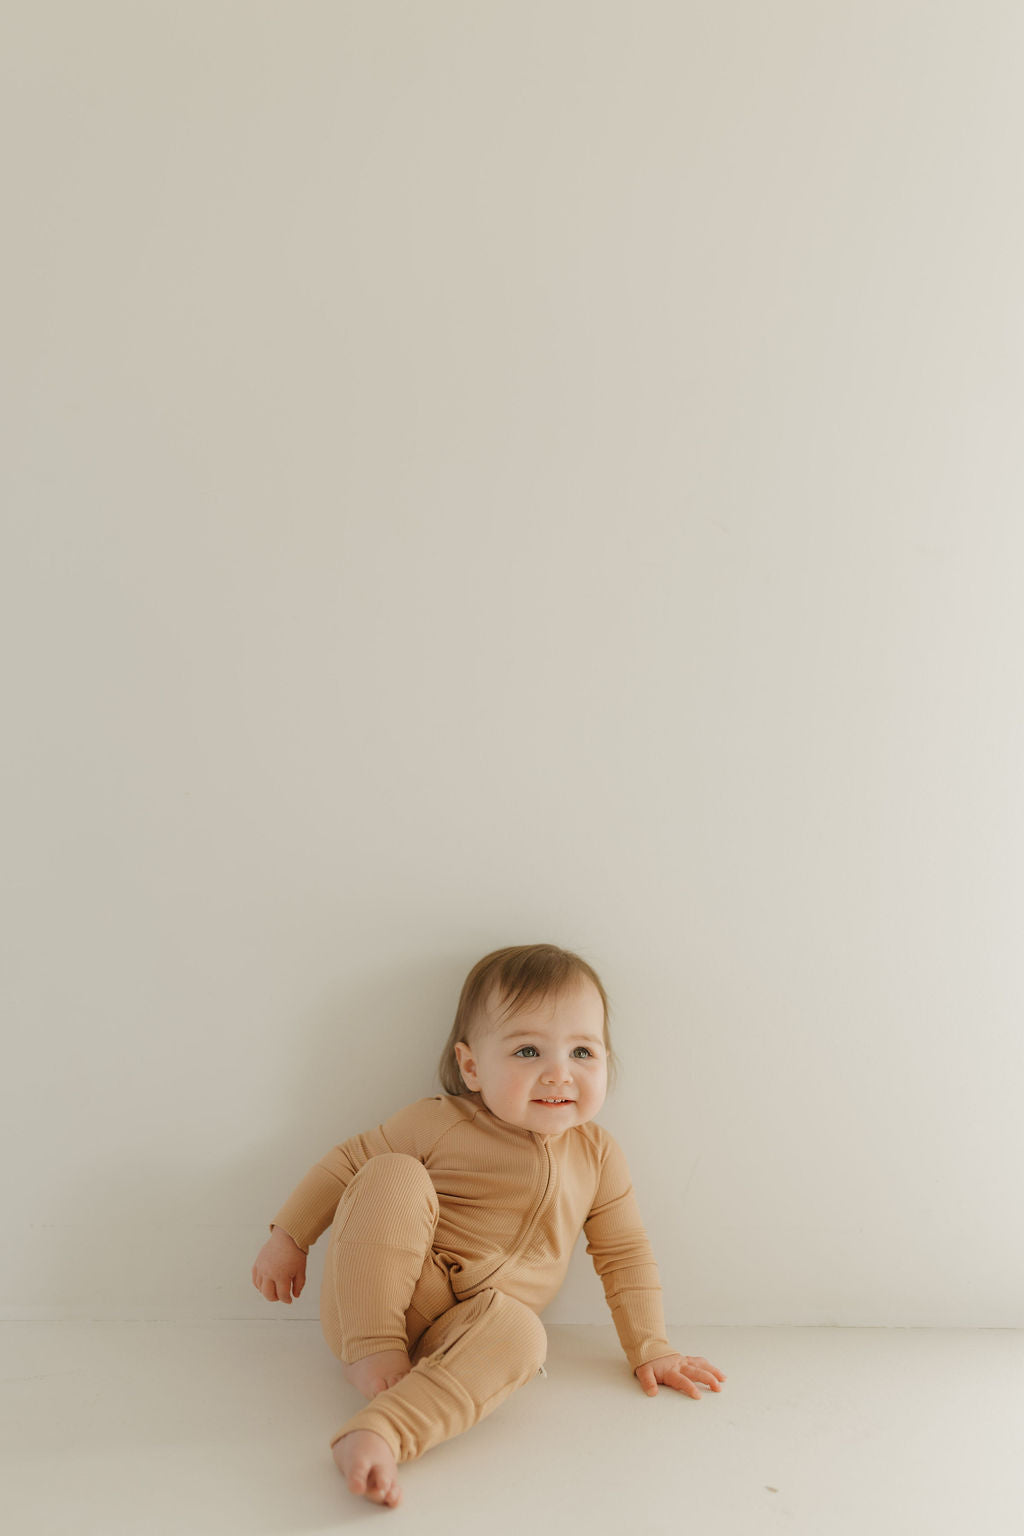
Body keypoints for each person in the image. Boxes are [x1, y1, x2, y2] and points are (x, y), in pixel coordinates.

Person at [251, 943, 726, 1510]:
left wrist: (652, 1347)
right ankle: (373, 1352)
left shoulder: (597, 1156)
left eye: (582, 1051)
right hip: (387, 1292)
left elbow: (625, 1254)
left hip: (475, 1326)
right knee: (389, 1172)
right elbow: (345, 1166)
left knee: (526, 1337)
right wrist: (289, 1237)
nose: (559, 1072)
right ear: (472, 1066)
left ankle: (383, 1431)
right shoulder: (437, 1121)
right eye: (528, 1050)